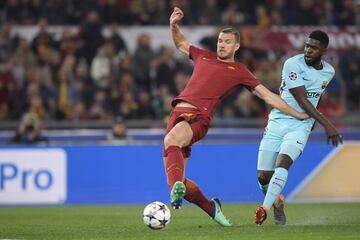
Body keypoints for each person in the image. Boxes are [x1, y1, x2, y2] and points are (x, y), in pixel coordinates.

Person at [164, 7, 308, 227]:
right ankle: (212, 208)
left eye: (227, 41)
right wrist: (173, 25)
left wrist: (297, 113)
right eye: (220, 40)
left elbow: (267, 96)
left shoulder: (239, 70)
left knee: (171, 142)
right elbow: (181, 44)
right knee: (178, 179)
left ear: (236, 46)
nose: (221, 44)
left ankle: (177, 193)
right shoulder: (203, 55)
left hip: (197, 116)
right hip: (176, 115)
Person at [254, 30, 343, 226]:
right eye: (307, 46)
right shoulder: (292, 64)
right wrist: (327, 124)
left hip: (302, 123)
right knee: (262, 176)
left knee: (283, 162)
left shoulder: (329, 71)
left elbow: (315, 97)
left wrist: (312, 123)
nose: (308, 50)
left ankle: (265, 209)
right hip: (278, 120)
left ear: (324, 51)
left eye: (314, 47)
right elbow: (302, 100)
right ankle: (277, 202)